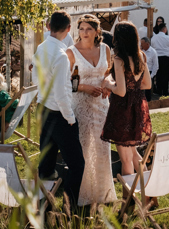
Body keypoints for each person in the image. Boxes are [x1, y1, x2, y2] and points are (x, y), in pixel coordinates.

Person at [33, 10, 85, 207]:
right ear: (69, 29)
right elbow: (61, 94)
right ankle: (69, 207)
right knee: (77, 165)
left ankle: (42, 203)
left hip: (42, 109)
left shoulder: (40, 48)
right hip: (59, 114)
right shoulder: (62, 55)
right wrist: (70, 118)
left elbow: (36, 79)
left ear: (48, 26)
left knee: (46, 162)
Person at [65, 14, 116, 206]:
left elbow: (108, 73)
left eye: (88, 29)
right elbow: (63, 82)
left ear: (97, 31)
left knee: (102, 148)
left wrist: (106, 85)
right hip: (80, 105)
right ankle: (84, 196)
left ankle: (104, 193)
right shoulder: (70, 52)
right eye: (81, 28)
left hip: (102, 105)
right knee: (84, 149)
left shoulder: (105, 49)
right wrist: (84, 87)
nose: (84, 32)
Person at [100, 21, 152, 177]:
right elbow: (147, 84)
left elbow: (121, 91)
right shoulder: (141, 56)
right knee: (134, 154)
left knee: (126, 159)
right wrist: (133, 89)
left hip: (122, 109)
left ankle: (127, 198)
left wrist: (108, 83)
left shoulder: (119, 59)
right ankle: (148, 192)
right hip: (138, 107)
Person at [150, 22, 169, 96]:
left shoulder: (154, 38)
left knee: (159, 75)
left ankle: (159, 90)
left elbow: (151, 48)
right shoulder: (168, 38)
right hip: (168, 58)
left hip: (158, 57)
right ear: (165, 29)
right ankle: (165, 91)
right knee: (166, 75)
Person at [140, 37, 158, 103]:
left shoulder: (153, 52)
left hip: (149, 72)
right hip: (140, 71)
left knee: (148, 90)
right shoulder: (140, 51)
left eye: (142, 43)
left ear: (147, 44)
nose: (141, 45)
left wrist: (151, 76)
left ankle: (148, 102)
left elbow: (155, 66)